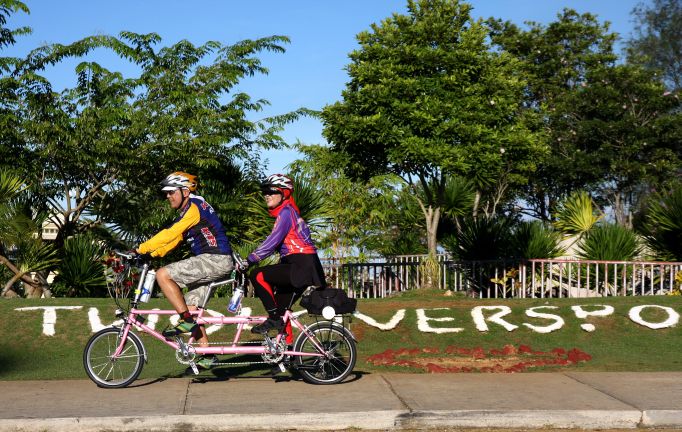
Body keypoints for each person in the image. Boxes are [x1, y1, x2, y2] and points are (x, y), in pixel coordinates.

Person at [135, 171, 234, 370]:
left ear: (185, 192)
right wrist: (152, 254)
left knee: (163, 275)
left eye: (172, 192)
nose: (168, 196)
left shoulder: (194, 208)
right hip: (214, 261)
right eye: (166, 193)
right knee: (190, 308)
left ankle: (186, 321)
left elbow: (171, 233)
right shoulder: (190, 209)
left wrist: (140, 249)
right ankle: (207, 355)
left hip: (215, 259)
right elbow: (175, 240)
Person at [243, 174, 327, 338]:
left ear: (284, 193)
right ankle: (287, 348)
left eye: (271, 192)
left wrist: (249, 260)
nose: (267, 195)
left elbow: (272, 242)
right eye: (265, 192)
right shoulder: (290, 212)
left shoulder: (286, 213)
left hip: (300, 264)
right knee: (281, 312)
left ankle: (274, 319)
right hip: (305, 265)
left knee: (257, 275)